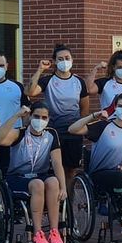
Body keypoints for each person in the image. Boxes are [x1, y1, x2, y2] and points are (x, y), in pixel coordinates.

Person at [69, 93, 122, 240]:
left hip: (117, 171)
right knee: (119, 176)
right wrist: (93, 115)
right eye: (119, 106)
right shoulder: (103, 127)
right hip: (99, 174)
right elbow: (73, 129)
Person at [0, 102, 68, 243]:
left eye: (44, 117)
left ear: (48, 119)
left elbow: (57, 163)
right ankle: (37, 232)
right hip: (18, 177)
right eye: (36, 116)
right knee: (38, 184)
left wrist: (63, 187)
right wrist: (16, 116)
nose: (40, 120)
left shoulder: (51, 134)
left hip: (40, 174)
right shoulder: (20, 133)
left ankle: (54, 231)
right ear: (29, 116)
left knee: (53, 181)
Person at [28, 44, 95, 181]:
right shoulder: (48, 80)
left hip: (73, 132)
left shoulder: (79, 82)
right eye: (60, 58)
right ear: (55, 61)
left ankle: (69, 201)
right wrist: (40, 70)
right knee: (53, 170)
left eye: (67, 58)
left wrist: (80, 127)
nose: (64, 61)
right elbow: (30, 92)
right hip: (53, 131)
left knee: (70, 171)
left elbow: (84, 108)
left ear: (71, 59)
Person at [98, 50, 122, 114]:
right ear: (113, 67)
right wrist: (96, 68)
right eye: (119, 67)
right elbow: (88, 89)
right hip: (108, 121)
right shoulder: (105, 83)